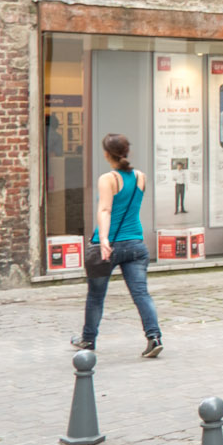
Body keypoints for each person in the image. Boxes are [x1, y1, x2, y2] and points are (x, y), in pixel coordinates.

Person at [69, 134, 164, 358]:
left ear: (106, 154)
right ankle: (154, 337)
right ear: (126, 151)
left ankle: (88, 340)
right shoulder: (141, 177)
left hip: (110, 245)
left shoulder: (108, 178)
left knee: (95, 296)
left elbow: (105, 210)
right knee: (141, 294)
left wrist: (103, 240)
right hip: (135, 244)